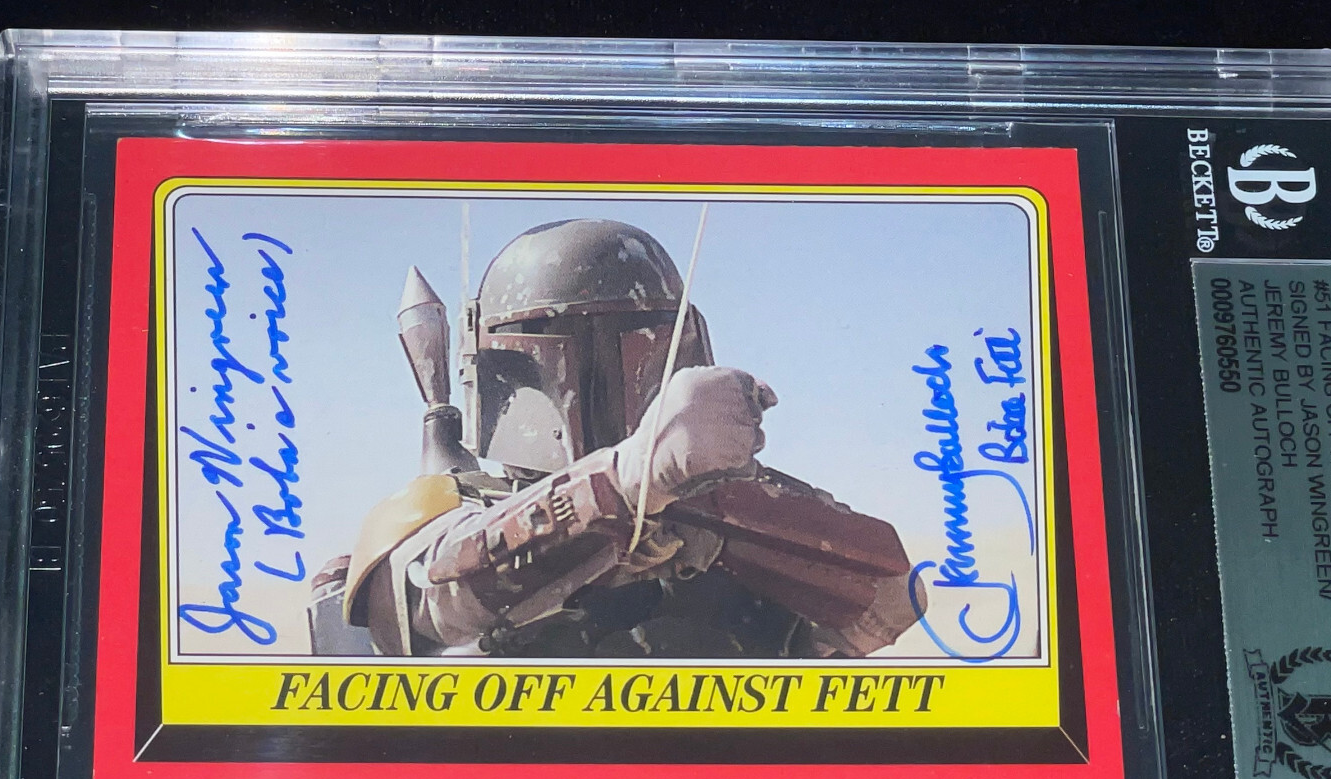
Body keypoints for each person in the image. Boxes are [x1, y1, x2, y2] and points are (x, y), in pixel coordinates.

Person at [309, 218, 917, 659]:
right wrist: (620, 485)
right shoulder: (444, 512)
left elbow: (893, 597)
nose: (602, 370)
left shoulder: (742, 503)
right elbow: (425, 602)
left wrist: (711, 521)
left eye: (634, 329)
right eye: (574, 339)